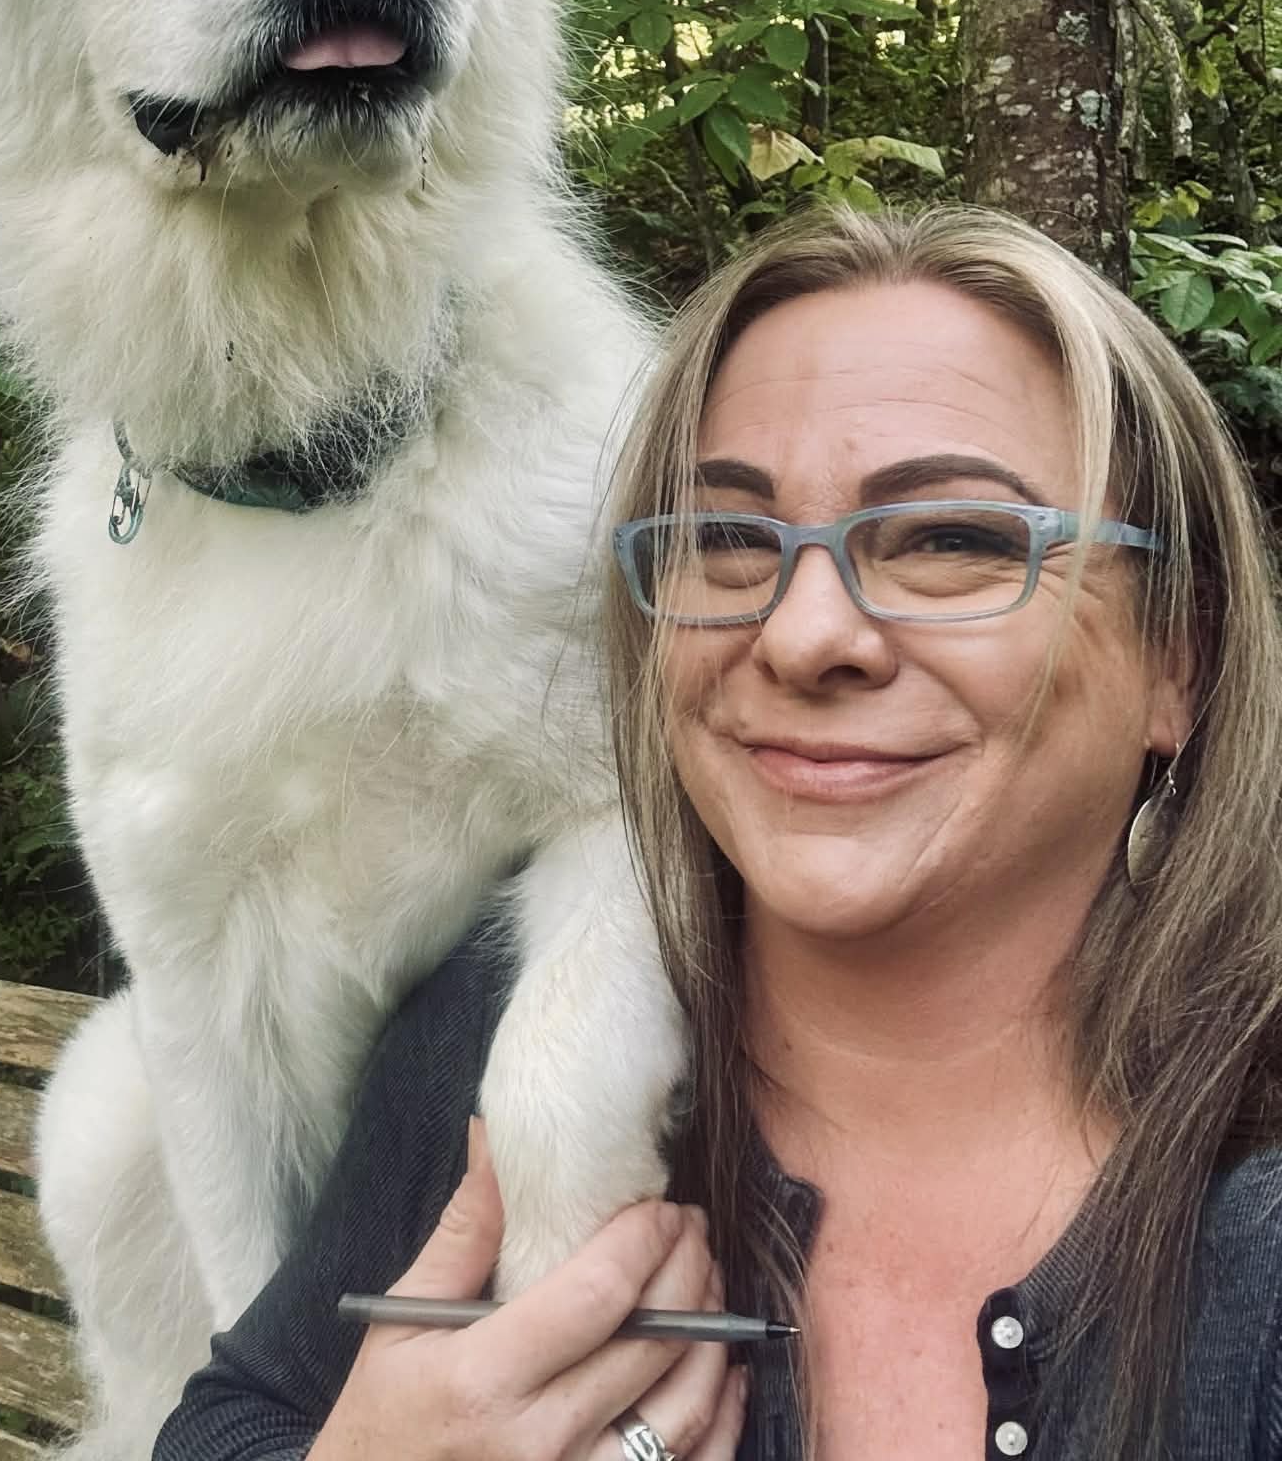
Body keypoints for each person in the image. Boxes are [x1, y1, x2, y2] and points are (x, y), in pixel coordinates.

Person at [154, 205, 1282, 1461]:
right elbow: (238, 1410)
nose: (803, 637)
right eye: (730, 538)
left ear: (1178, 647)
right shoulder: (501, 1022)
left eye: (956, 539)